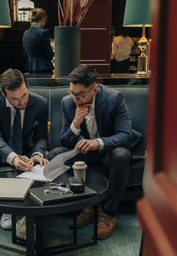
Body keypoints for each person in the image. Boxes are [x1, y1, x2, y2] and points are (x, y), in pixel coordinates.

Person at [48, 64, 133, 239]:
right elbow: (64, 141)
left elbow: (126, 136)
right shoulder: (68, 102)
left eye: (81, 94)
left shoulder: (114, 98)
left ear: (95, 88)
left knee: (121, 155)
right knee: (56, 154)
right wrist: (75, 124)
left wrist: (98, 142)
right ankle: (89, 207)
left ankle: (108, 213)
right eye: (72, 92)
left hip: (109, 151)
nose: (76, 99)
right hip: (88, 153)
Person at [0, 68, 49, 230]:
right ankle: (5, 206)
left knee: (39, 162)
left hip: (23, 146)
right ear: (3, 93)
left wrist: (37, 154)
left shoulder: (40, 103)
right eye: (15, 99)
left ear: (27, 87)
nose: (22, 102)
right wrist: (13, 158)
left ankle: (25, 206)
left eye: (24, 95)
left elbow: (41, 137)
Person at [22, 8, 54, 77]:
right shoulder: (43, 32)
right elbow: (49, 55)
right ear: (43, 19)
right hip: (44, 70)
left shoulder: (25, 33)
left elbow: (25, 54)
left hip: (30, 69)